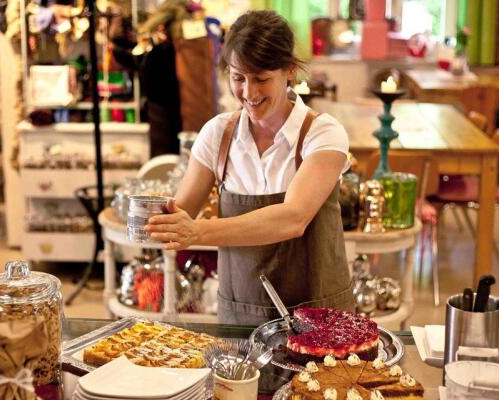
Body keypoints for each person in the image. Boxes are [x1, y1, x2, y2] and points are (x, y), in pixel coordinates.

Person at [145, 10, 354, 324]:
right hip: (241, 316)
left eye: (261, 79)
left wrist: (197, 230)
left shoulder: (322, 133)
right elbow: (181, 212)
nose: (249, 92)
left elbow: (293, 218)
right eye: (238, 77)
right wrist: (162, 222)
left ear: (290, 72)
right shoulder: (217, 135)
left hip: (319, 320)